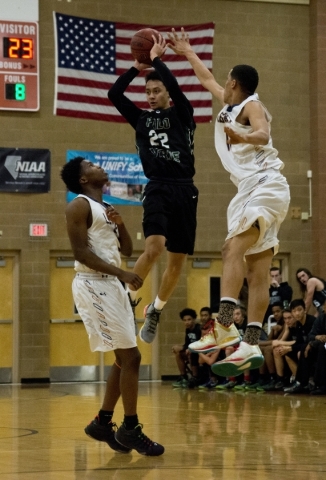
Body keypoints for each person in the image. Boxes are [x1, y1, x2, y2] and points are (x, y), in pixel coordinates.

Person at [167, 29, 290, 377]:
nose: (222, 82)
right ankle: (250, 343)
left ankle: (222, 325)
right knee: (257, 269)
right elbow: (205, 78)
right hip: (258, 188)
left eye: (226, 80)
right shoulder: (229, 102)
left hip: (262, 184)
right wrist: (188, 51)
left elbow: (263, 133)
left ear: (235, 82)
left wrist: (243, 135)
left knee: (230, 249)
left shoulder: (251, 106)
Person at [60, 157, 164, 456]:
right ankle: (130, 427)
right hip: (94, 283)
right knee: (131, 357)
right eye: (91, 165)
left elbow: (129, 250)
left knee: (124, 359)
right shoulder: (78, 205)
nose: (99, 167)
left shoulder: (105, 208)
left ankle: (103, 423)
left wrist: (120, 225)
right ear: (83, 179)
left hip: (111, 285)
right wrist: (122, 274)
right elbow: (80, 252)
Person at [108, 34, 198, 344]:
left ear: (166, 94)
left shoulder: (182, 114)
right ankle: (126, 296)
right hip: (158, 187)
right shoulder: (140, 119)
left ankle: (156, 310)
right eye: (147, 92)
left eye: (155, 91)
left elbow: (174, 86)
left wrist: (158, 59)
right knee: (154, 247)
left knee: (176, 262)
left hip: (185, 189)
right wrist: (136, 66)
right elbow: (114, 93)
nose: (150, 96)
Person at [172, 308, 202, 388]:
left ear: (194, 319)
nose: (187, 322)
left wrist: (185, 348)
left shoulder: (199, 329)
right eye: (184, 320)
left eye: (189, 319)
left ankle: (195, 377)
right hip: (190, 350)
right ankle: (183, 376)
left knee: (190, 353)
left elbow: (201, 343)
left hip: (199, 352)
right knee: (177, 352)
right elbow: (187, 344)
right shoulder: (188, 330)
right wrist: (181, 348)